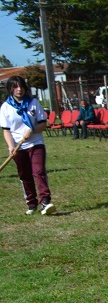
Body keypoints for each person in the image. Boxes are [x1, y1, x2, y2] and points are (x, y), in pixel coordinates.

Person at [1, 75, 54, 215]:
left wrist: (32, 130)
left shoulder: (33, 103)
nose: (19, 89)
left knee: (39, 171)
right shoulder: (5, 107)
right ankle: (31, 204)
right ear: (10, 89)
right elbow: (6, 131)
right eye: (15, 87)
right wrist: (11, 147)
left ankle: (45, 201)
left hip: (35, 143)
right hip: (18, 147)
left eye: (21, 86)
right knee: (24, 175)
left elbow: (43, 124)